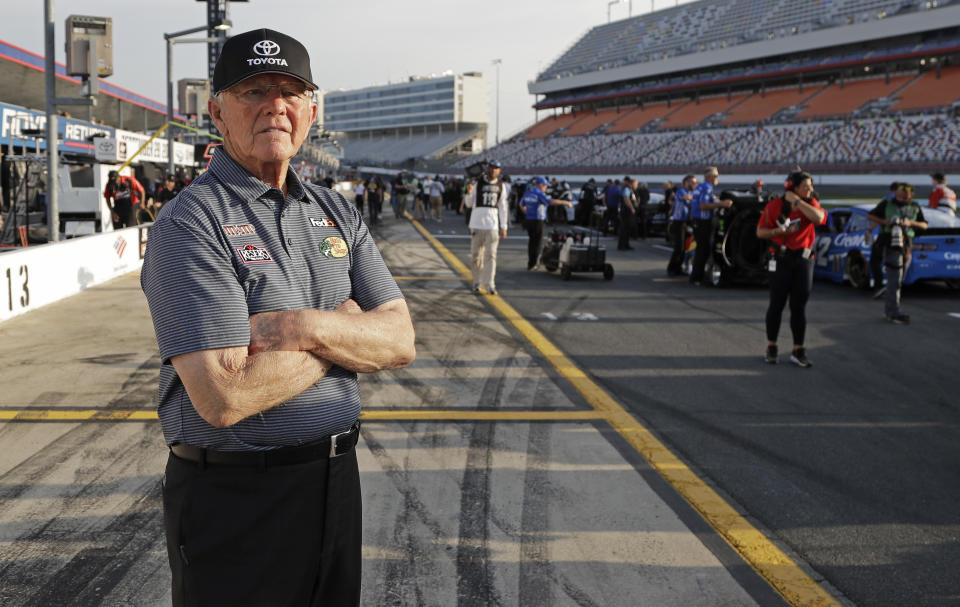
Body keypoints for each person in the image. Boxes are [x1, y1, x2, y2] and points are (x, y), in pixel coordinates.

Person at [139, 29, 416, 607]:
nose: (276, 105)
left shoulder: (336, 209)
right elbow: (224, 395)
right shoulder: (190, 225)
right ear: (216, 112)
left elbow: (399, 339)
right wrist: (343, 333)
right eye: (254, 91)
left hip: (337, 483)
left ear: (312, 110)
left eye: (292, 91)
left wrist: (303, 329)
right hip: (235, 496)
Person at [756, 170, 826, 367]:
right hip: (781, 259)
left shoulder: (810, 203)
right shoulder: (775, 205)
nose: (810, 190)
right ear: (793, 187)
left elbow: (819, 218)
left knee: (799, 306)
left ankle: (798, 349)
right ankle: (772, 346)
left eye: (811, 186)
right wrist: (777, 231)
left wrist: (798, 202)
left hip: (803, 260)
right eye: (806, 187)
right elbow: (760, 232)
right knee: (776, 304)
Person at [867, 183, 928, 324]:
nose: (901, 198)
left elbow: (924, 225)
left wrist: (910, 222)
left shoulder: (915, 206)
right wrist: (885, 221)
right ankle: (892, 311)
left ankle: (891, 305)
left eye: (904, 196)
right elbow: (870, 215)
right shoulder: (887, 203)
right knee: (895, 279)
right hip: (890, 244)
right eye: (899, 195)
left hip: (907, 244)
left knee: (899, 280)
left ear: (911, 195)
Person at [463, 160, 509, 294]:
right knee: (476, 256)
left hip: (493, 225)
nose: (494, 171)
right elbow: (469, 204)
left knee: (491, 256)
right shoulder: (478, 183)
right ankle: (477, 281)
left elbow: (503, 207)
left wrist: (504, 226)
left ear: (499, 171)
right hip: (477, 224)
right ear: (488, 169)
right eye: (492, 168)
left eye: (497, 169)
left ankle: (490, 283)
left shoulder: (501, 186)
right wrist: (469, 193)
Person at [689, 166, 733, 285]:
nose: (717, 178)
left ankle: (698, 275)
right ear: (709, 177)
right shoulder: (706, 187)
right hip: (702, 221)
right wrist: (722, 204)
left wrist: (716, 200)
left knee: (702, 249)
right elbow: (703, 205)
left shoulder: (702, 186)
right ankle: (697, 277)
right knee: (703, 249)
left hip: (698, 221)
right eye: (716, 176)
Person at [521, 176, 573, 270]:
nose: (546, 188)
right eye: (545, 186)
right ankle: (534, 264)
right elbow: (551, 202)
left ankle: (530, 263)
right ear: (540, 185)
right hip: (538, 220)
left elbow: (521, 204)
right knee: (537, 243)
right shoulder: (539, 193)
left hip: (529, 220)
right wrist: (565, 202)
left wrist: (527, 212)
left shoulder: (528, 192)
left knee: (531, 242)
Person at [868, 181, 901, 297]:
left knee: (875, 259)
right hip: (905, 235)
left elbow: (876, 217)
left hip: (886, 235)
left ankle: (879, 285)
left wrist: (869, 230)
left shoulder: (887, 200)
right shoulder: (908, 201)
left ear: (891, 190)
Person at [667, 175, 694, 275]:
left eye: (694, 182)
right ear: (685, 183)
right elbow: (685, 198)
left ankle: (678, 267)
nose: (693, 184)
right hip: (678, 222)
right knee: (679, 247)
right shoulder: (681, 191)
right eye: (691, 182)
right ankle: (672, 268)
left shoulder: (690, 193)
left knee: (684, 247)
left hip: (685, 222)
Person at [618, 177, 637, 251]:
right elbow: (626, 198)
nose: (636, 185)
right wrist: (632, 208)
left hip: (627, 211)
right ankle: (622, 245)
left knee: (628, 229)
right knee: (624, 228)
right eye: (636, 184)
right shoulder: (627, 189)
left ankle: (626, 244)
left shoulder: (630, 189)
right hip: (626, 211)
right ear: (631, 183)